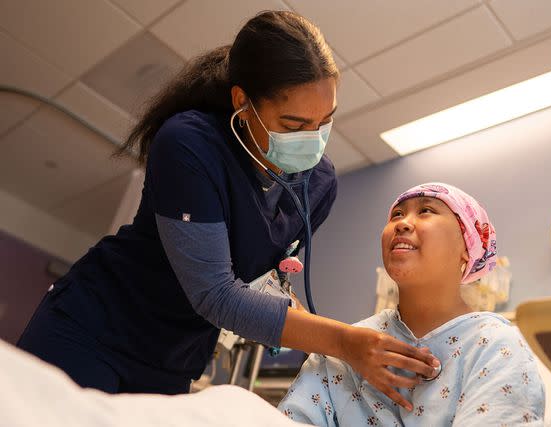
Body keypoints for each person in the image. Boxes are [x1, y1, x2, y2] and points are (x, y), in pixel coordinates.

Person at [16, 11, 438, 408]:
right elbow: (216, 293)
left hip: (173, 359)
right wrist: (345, 343)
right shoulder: (190, 144)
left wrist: (345, 349)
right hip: (95, 328)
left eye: (324, 121)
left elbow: (262, 283)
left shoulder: (319, 185)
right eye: (293, 125)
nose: (313, 139)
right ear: (242, 102)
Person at [278, 183, 545, 426]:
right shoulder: (344, 351)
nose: (403, 223)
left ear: (468, 245)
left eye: (426, 211)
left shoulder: (496, 347)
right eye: (397, 215)